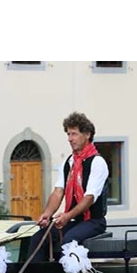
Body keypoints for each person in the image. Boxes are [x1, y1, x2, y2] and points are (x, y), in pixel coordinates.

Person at [27, 112, 109, 263]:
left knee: (69, 240)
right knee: (37, 238)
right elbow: (58, 192)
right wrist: (47, 214)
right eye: (68, 134)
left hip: (93, 222)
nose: (70, 139)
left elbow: (89, 198)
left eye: (74, 134)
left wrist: (67, 216)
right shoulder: (68, 162)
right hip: (74, 220)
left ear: (87, 135)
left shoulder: (97, 163)